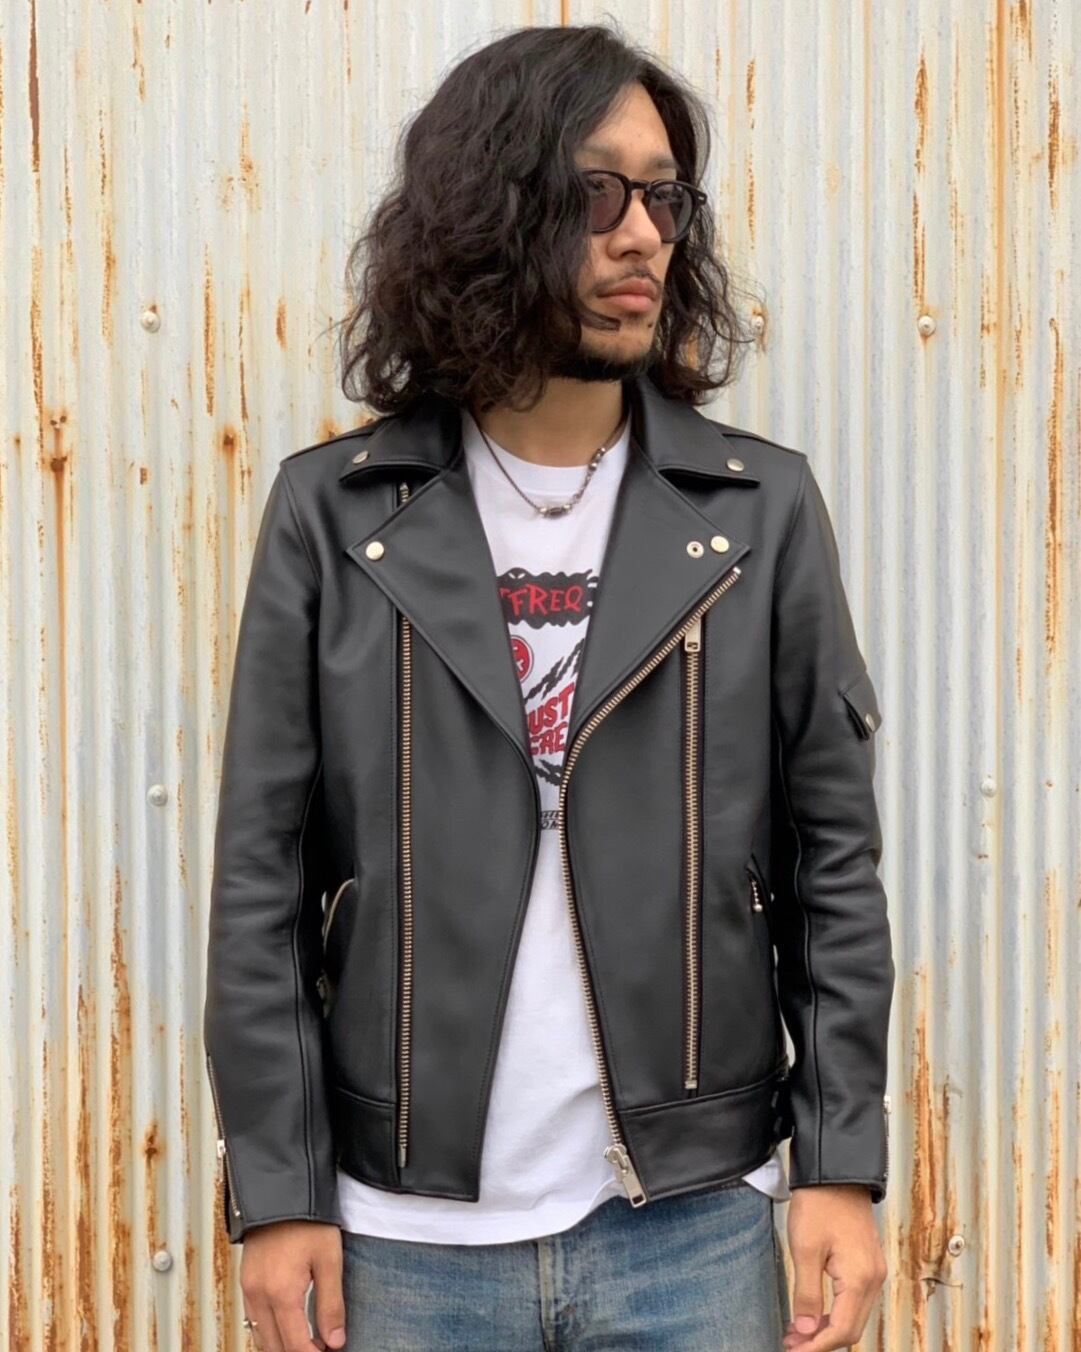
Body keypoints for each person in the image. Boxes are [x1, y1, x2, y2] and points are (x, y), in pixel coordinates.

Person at [203, 22, 893, 1352]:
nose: (642, 236)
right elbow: (261, 882)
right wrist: (278, 1192)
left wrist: (839, 1164)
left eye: (664, 198)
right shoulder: (336, 515)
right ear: (488, 213)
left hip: (691, 1223)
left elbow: (833, 866)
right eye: (595, 193)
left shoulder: (755, 512)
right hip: (404, 1237)